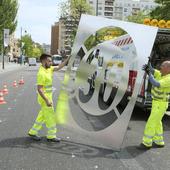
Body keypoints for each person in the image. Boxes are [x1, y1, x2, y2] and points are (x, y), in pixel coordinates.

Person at [28, 53, 70, 142]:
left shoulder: (48, 69)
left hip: (48, 97)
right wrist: (47, 100)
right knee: (50, 117)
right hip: (44, 99)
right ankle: (51, 136)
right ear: (43, 61)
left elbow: (58, 67)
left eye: (51, 61)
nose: (51, 63)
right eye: (49, 61)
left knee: (42, 115)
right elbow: (39, 89)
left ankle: (33, 131)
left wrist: (67, 59)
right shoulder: (41, 73)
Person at [139, 60, 170, 149]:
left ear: (168, 68)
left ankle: (146, 143)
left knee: (151, 122)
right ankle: (159, 141)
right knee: (157, 122)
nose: (160, 67)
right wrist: (149, 66)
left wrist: (149, 73)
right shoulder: (162, 74)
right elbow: (153, 70)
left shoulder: (169, 78)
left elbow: (156, 83)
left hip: (160, 104)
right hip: (157, 103)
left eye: (162, 66)